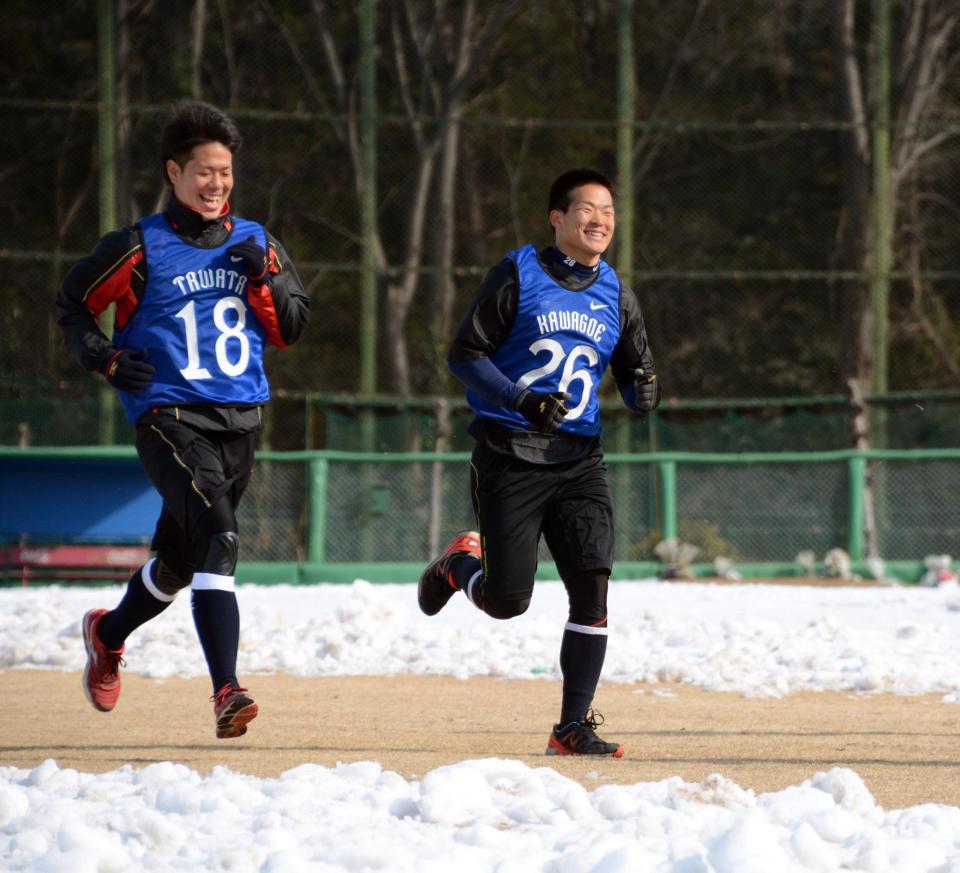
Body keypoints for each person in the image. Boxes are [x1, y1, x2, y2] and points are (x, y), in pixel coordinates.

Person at [56, 101, 309, 738]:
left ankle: (107, 633)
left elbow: (294, 327)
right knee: (220, 539)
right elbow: (73, 305)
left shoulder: (257, 241)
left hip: (241, 421)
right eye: (202, 171)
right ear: (174, 173)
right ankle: (227, 690)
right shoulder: (138, 246)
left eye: (224, 172)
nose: (215, 183)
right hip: (169, 419)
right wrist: (104, 358)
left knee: (175, 563)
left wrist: (266, 285)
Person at [417, 168, 660, 757]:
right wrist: (519, 398)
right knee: (507, 602)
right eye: (587, 209)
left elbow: (635, 368)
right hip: (509, 455)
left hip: (580, 460)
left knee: (593, 590)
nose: (600, 220)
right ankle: (458, 568)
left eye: (608, 211)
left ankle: (571, 727)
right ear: (558, 217)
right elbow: (464, 355)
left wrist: (643, 387)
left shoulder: (616, 291)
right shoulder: (518, 272)